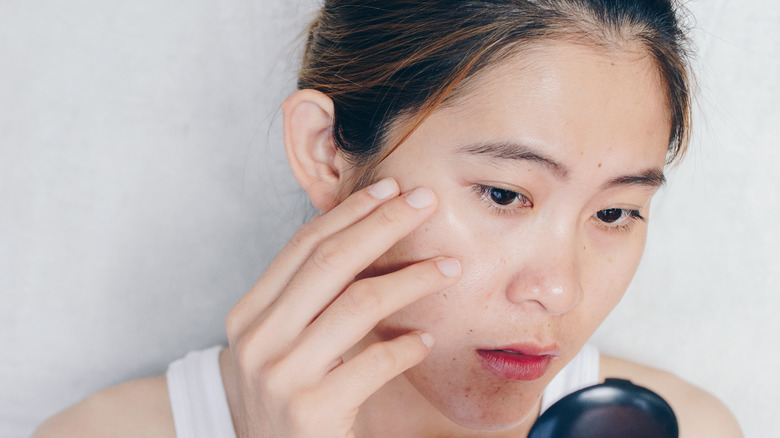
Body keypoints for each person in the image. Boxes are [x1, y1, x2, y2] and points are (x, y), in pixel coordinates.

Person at [34, 0, 743, 437]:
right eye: (502, 194)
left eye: (615, 212)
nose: (559, 291)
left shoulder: (692, 431)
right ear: (325, 150)